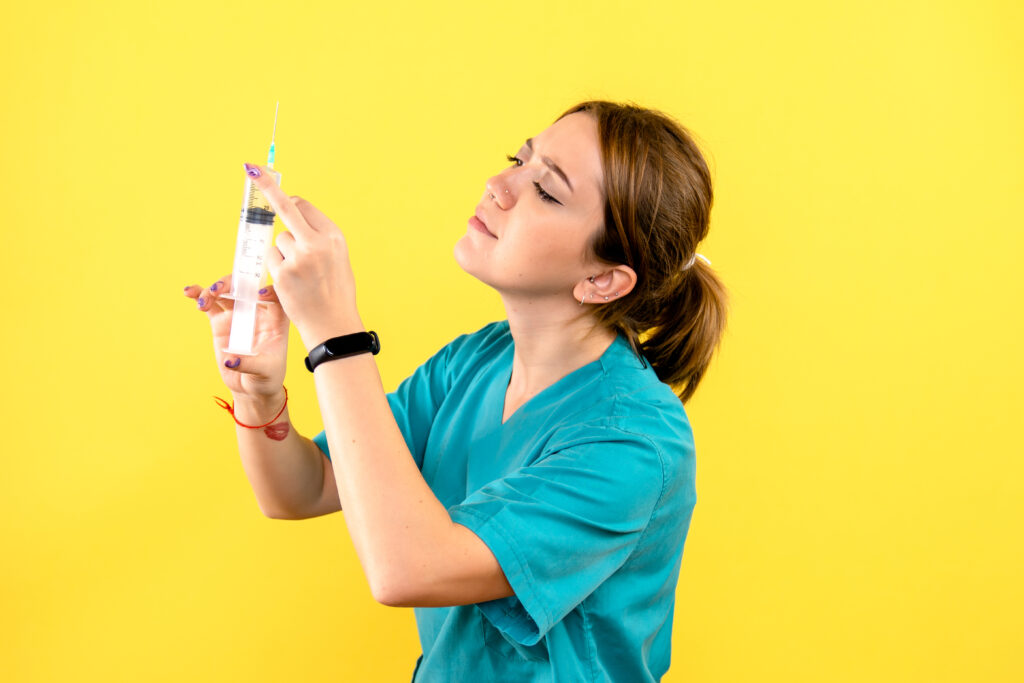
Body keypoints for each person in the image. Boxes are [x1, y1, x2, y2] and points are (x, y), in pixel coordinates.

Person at [184, 99, 729, 682]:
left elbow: (406, 570)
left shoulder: (634, 445)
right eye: (518, 159)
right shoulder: (478, 360)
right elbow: (304, 488)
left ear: (602, 280)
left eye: (547, 190)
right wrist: (260, 397)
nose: (500, 184)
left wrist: (335, 336)